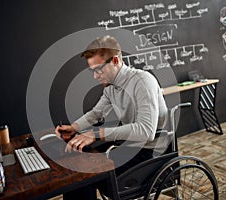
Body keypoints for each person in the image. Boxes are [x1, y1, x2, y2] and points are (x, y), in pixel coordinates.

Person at [55, 35, 168, 200]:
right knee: (77, 167)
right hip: (130, 146)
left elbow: (146, 132)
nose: (95, 76)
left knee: (84, 176)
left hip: (150, 152)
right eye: (92, 71)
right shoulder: (111, 87)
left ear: (115, 61)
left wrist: (95, 134)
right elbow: (96, 113)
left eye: (98, 69)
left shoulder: (143, 81)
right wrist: (74, 127)